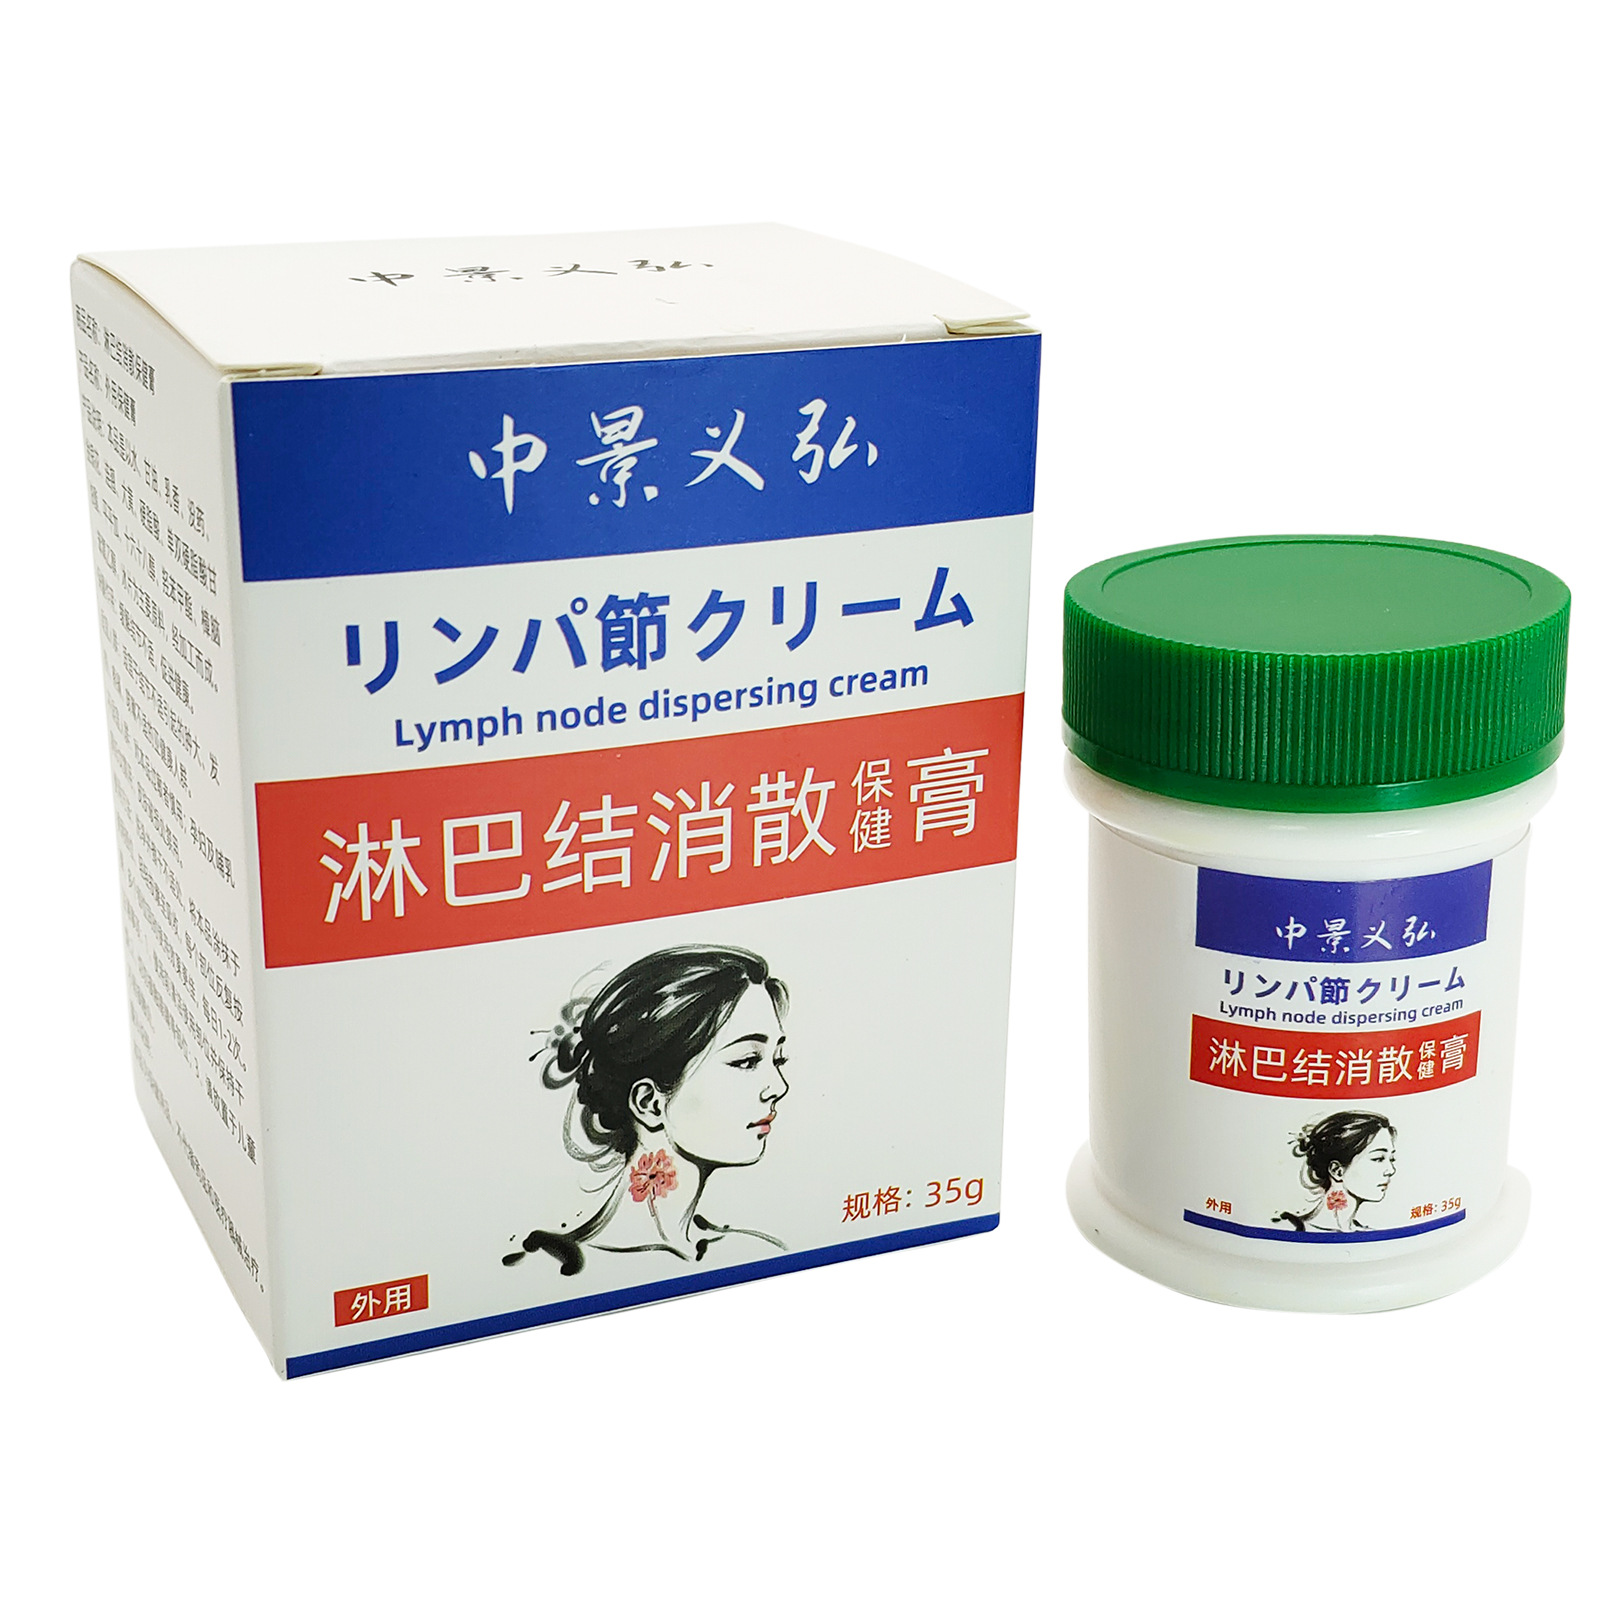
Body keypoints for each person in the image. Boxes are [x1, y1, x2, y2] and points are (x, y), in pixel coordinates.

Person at [504, 944, 791, 1275]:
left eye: (779, 1059)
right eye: (747, 1061)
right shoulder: (552, 1268)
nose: (778, 1087)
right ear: (649, 1103)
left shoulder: (754, 1251)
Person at [1273, 1110, 1397, 1232]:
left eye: (1392, 1159)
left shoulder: (1367, 1233)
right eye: (1378, 1158)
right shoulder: (1288, 1227)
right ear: (1337, 1170)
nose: (1391, 1170)